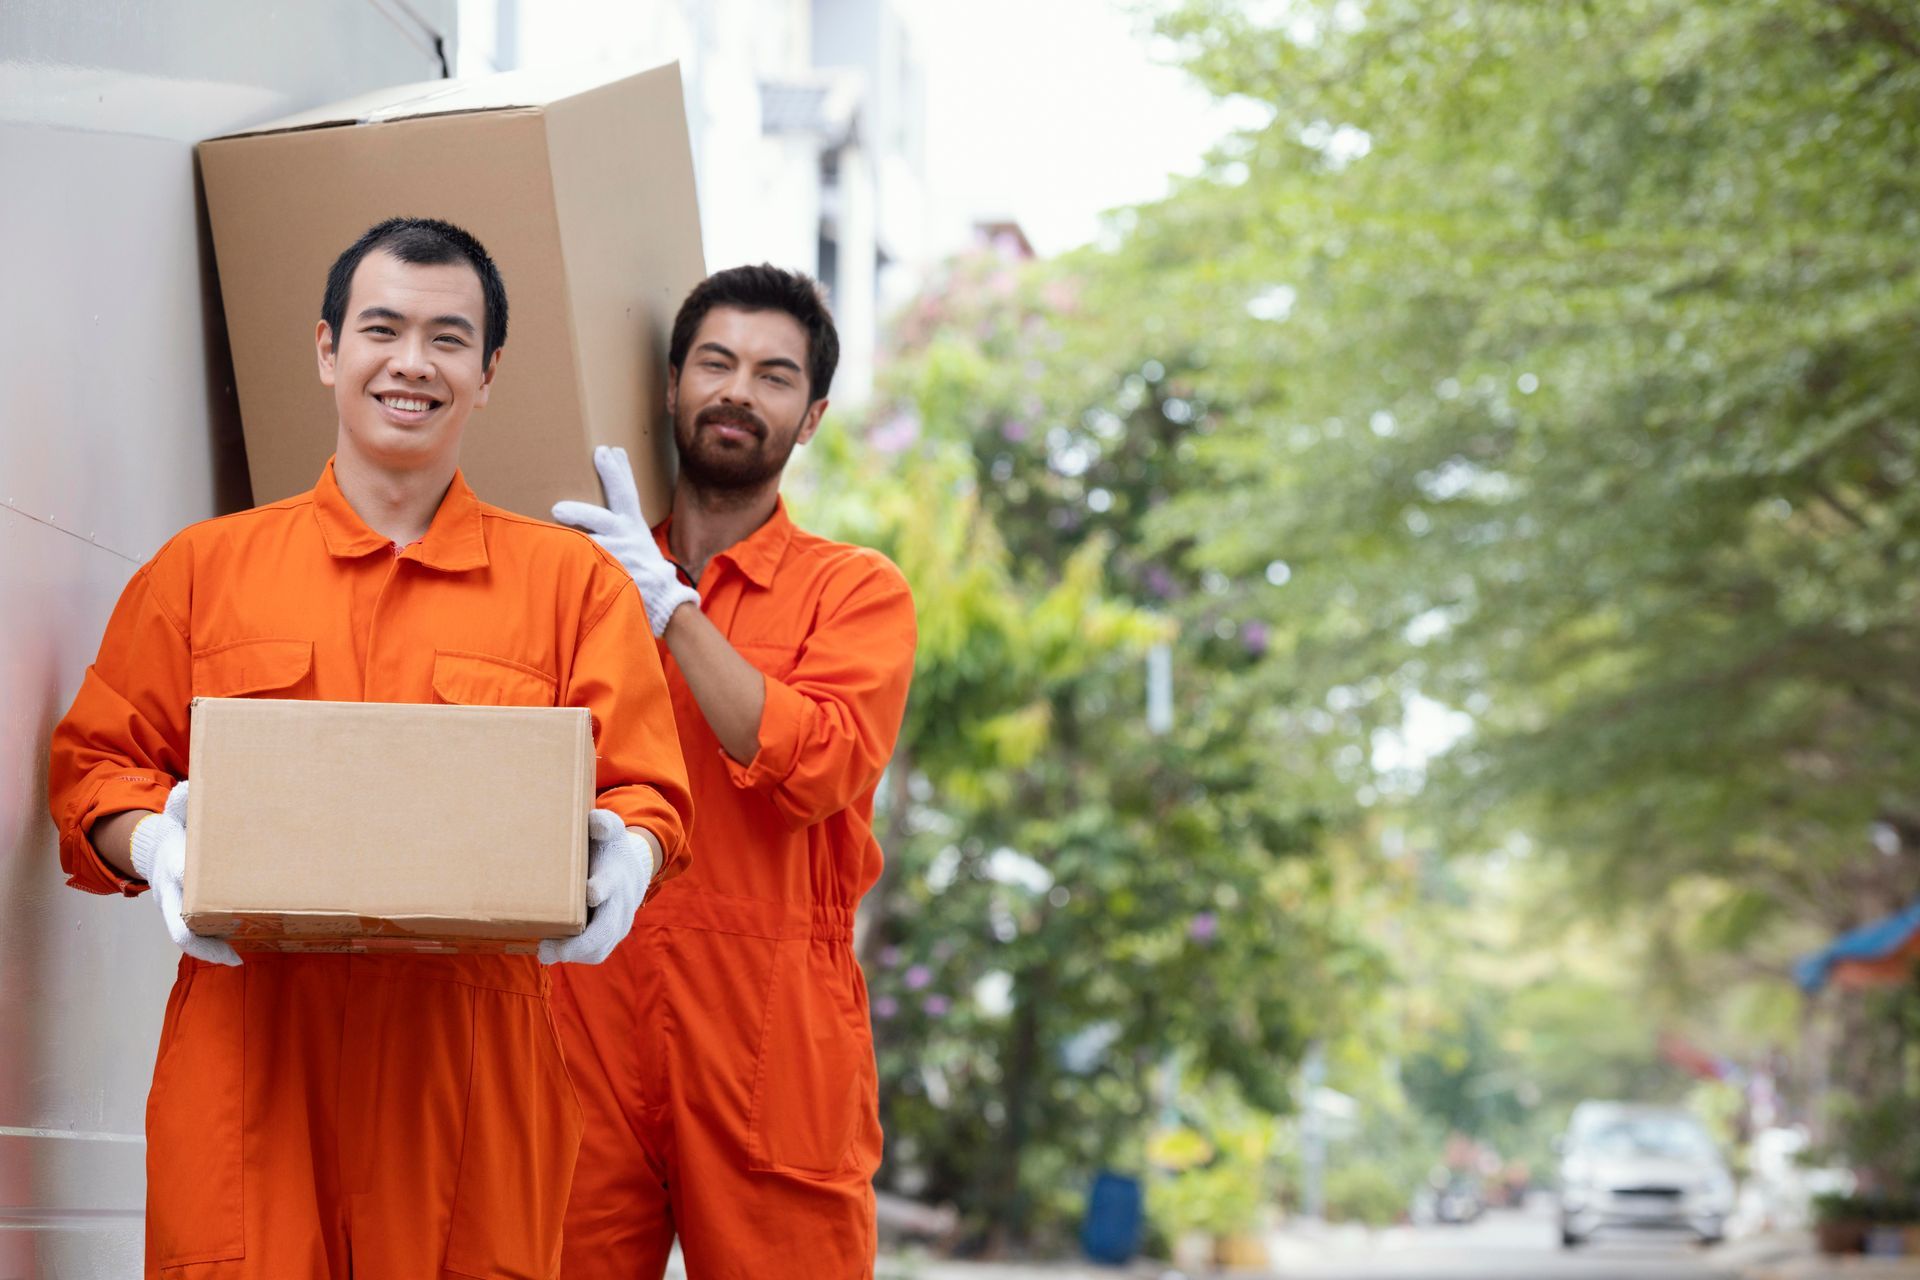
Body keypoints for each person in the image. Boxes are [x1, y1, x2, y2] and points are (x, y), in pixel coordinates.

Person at [47, 216, 695, 1279]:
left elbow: (647, 791)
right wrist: (156, 846)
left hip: (469, 1077)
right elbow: (93, 770)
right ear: (326, 349)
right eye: (382, 329)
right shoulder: (204, 571)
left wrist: (625, 858)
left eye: (449, 339)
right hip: (254, 1063)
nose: (412, 363)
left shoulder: (570, 588)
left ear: (488, 374)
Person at [551, 265, 917, 1278]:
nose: (738, 392)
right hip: (585, 1015)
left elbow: (819, 762)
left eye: (773, 375)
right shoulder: (581, 574)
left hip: (772, 1036)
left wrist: (668, 604)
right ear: (672, 384)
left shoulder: (855, 591)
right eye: (716, 363)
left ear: (811, 418)